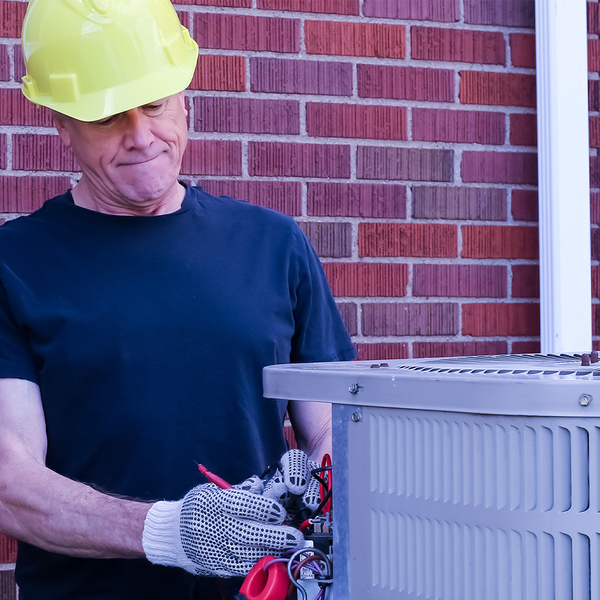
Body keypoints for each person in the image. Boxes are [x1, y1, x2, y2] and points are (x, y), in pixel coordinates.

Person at [0, 0, 356, 598]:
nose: (141, 136)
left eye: (156, 104)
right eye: (109, 116)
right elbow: (10, 482)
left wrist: (319, 484)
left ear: (183, 98)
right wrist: (171, 532)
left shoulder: (272, 244)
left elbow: (337, 429)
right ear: (61, 121)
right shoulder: (15, 263)